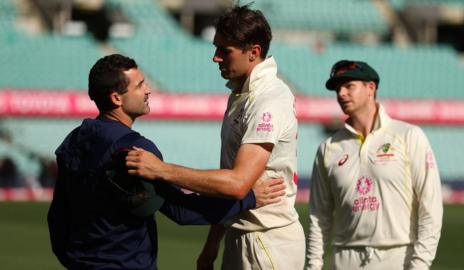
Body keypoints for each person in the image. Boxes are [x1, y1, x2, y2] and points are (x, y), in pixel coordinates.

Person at [47, 54, 285, 270]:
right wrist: (250, 197)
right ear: (117, 98)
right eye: (140, 85)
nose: (148, 90)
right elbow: (182, 211)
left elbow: (57, 215)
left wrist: (73, 259)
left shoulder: (74, 141)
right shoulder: (135, 150)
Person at [125, 4, 305, 270]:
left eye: (225, 50)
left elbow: (237, 184)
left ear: (253, 52)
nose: (216, 57)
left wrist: (161, 170)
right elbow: (230, 180)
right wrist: (212, 245)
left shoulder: (268, 100)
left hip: (267, 240)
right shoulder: (241, 95)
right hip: (243, 233)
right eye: (216, 47)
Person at [306, 60, 443, 270]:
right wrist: (313, 266)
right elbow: (319, 217)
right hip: (344, 259)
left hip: (398, 258)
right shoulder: (328, 149)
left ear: (371, 88)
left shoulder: (408, 136)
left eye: (349, 86)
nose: (341, 93)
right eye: (337, 89)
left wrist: (420, 264)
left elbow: (430, 206)